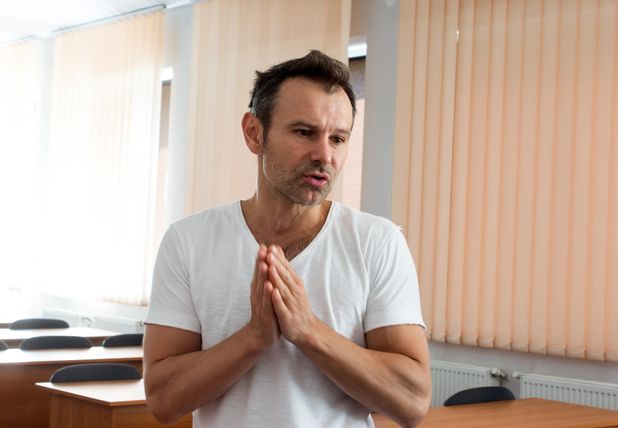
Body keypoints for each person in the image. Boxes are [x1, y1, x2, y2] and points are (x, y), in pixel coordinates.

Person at [143, 50, 431, 428]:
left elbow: (412, 402)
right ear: (254, 133)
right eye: (304, 132)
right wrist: (253, 339)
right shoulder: (187, 242)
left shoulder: (378, 243)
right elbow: (163, 400)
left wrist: (308, 331)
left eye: (338, 138)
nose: (324, 155)